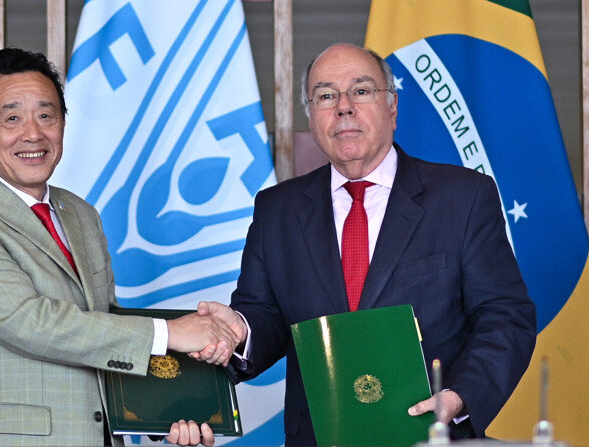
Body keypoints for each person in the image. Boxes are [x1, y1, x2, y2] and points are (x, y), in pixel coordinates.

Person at [194, 43, 537, 445]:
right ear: (311, 116)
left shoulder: (462, 197)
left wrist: (458, 397)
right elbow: (265, 314)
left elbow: (505, 316)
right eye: (325, 95)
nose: (343, 107)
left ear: (392, 107)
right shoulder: (277, 209)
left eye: (360, 90)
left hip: (428, 436)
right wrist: (241, 330)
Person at [0, 48, 236, 447]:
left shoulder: (80, 214)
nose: (33, 133)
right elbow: (32, 323)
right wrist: (169, 333)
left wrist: (168, 407)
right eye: (12, 118)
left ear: (63, 125)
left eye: (46, 115)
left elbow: (103, 323)